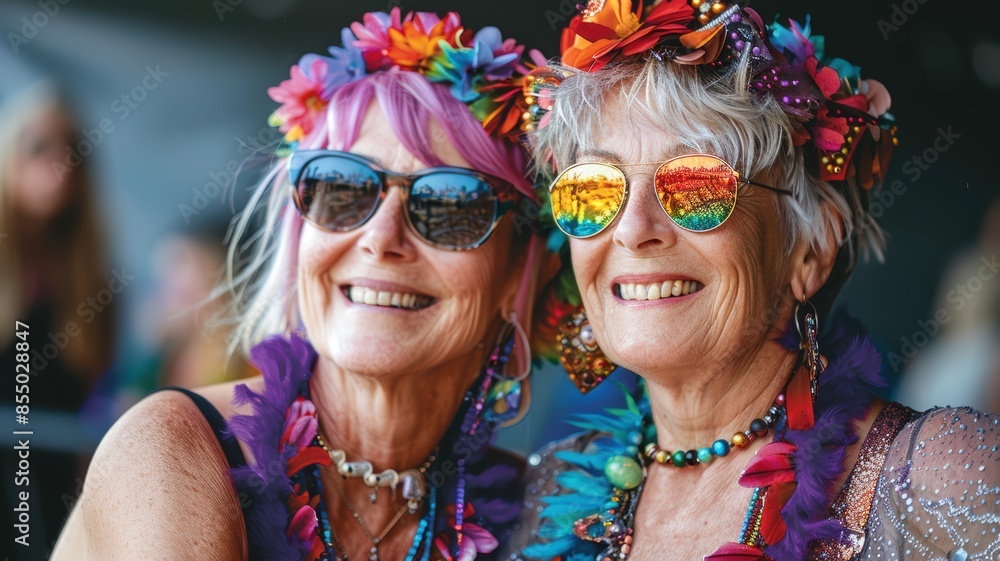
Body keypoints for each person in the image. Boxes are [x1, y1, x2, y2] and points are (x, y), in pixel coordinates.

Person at [52, 9, 555, 560]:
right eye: (342, 188)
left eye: (449, 203)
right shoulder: (176, 448)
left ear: (517, 272)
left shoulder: (535, 509)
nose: (379, 238)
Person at [507, 1, 1000, 560]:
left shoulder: (939, 477)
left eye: (695, 183)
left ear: (809, 250)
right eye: (593, 188)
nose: (632, 230)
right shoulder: (549, 493)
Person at [0, 82, 117, 559]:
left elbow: (96, 391)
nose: (58, 164)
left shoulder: (91, 280)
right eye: (38, 146)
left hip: (50, 478)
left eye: (73, 151)